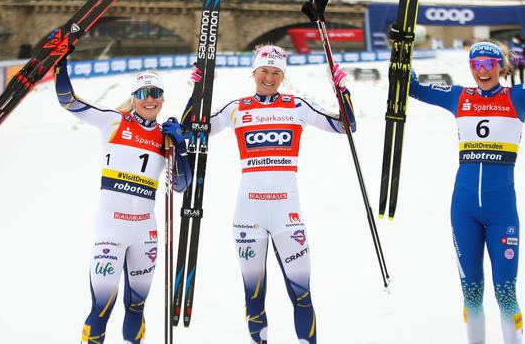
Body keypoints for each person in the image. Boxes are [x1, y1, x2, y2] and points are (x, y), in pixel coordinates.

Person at [392, 9, 525, 344]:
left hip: (501, 212)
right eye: (476, 65)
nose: (482, 71)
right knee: (471, 293)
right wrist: (401, 48)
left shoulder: (517, 97)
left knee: (506, 293)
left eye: (489, 65)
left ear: (500, 67)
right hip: (463, 208)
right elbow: (411, 87)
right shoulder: (459, 97)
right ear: (470, 68)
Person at [182, 45, 355, 344]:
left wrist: (343, 90)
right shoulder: (237, 108)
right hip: (248, 216)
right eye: (264, 71)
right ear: (254, 72)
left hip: (288, 215)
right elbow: (191, 131)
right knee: (254, 296)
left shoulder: (297, 106)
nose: (269, 77)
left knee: (301, 294)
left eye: (276, 72)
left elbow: (346, 126)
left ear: (283, 76)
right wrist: (197, 91)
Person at [53, 57, 192, 344]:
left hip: (145, 231)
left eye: (156, 93)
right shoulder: (114, 120)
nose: (149, 100)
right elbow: (68, 101)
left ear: (163, 99)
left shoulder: (164, 137)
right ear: (134, 98)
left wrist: (180, 147)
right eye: (143, 94)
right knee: (102, 308)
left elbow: (181, 184)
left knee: (136, 308)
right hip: (111, 228)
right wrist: (60, 63)